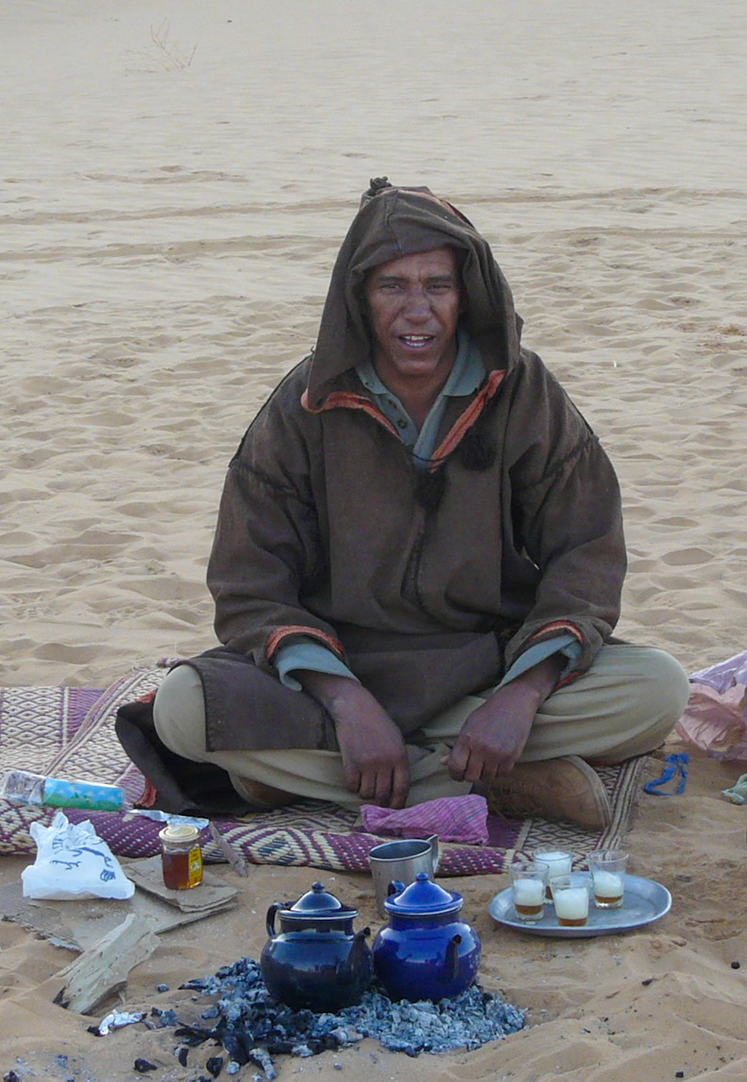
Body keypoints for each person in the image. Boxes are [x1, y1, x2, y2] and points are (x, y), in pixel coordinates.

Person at [115, 179, 687, 830]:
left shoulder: (521, 390)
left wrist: (522, 697)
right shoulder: (305, 404)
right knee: (183, 710)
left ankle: (338, 776)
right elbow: (250, 585)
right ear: (359, 298)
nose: (417, 310)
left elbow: (585, 555)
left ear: (466, 294)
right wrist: (346, 700)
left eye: (436, 286)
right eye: (392, 286)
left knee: (660, 688)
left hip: (486, 664)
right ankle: (491, 780)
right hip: (341, 667)